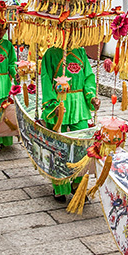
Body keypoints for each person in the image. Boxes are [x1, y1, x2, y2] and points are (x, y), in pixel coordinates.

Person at [39, 46, 100, 199]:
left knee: (82, 147)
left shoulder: (80, 52)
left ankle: (77, 183)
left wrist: (91, 97)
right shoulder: (50, 53)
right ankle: (60, 187)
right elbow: (46, 80)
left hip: (79, 105)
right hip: (60, 105)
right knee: (59, 147)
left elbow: (88, 77)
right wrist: (53, 105)